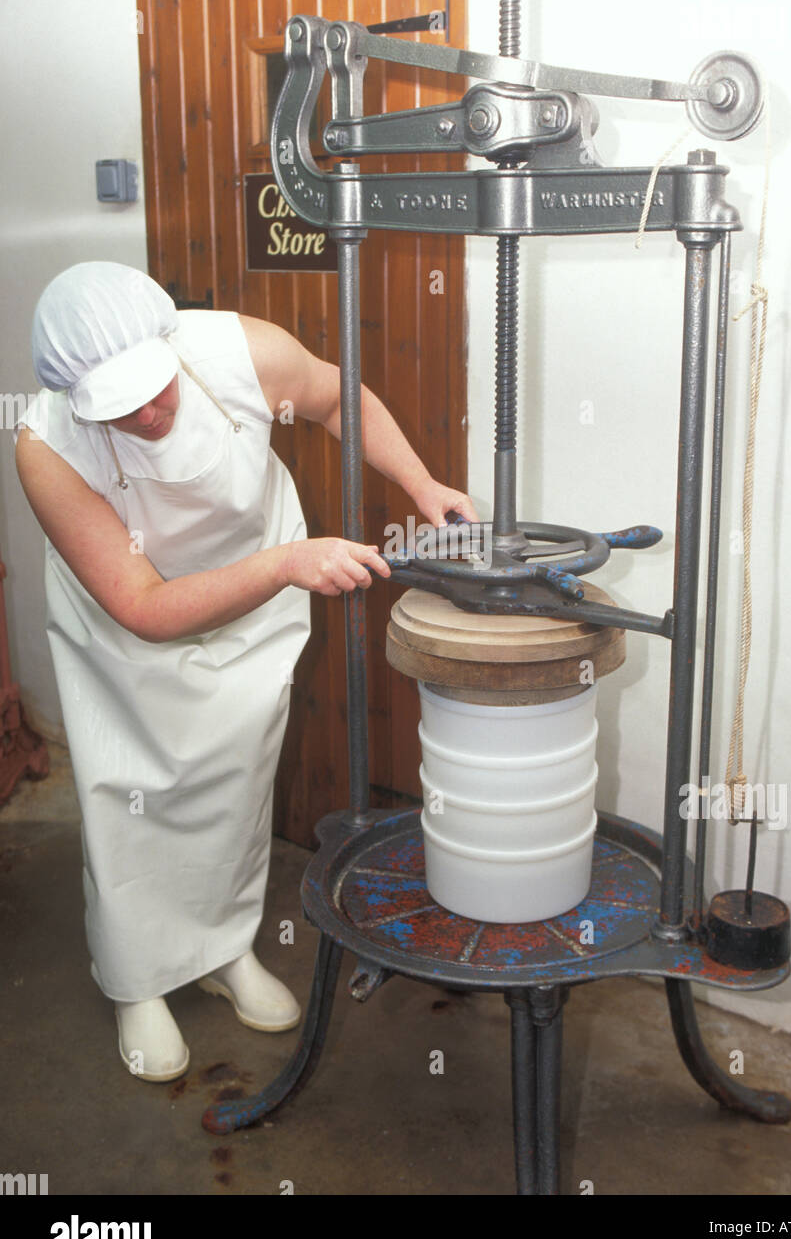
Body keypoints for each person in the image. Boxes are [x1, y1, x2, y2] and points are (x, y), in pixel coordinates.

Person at [15, 261, 476, 1083]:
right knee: (133, 792)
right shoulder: (46, 445)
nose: (152, 414)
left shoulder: (240, 352)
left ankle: (222, 950)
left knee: (234, 774)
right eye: (122, 407)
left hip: (254, 587)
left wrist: (420, 481)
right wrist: (288, 565)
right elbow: (144, 607)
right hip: (129, 621)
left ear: (170, 343)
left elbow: (339, 397)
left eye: (157, 390)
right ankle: (136, 980)